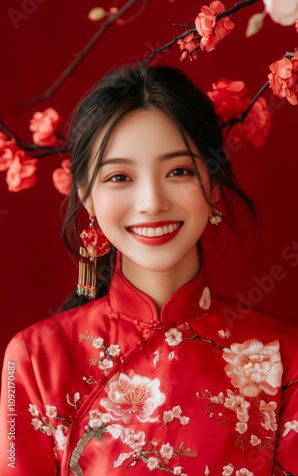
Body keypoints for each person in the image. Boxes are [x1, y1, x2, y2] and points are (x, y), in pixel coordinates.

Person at [0, 63, 297, 476]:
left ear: (212, 183)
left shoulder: (286, 358)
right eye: (120, 176)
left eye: (178, 171)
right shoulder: (36, 360)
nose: (151, 202)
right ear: (87, 197)